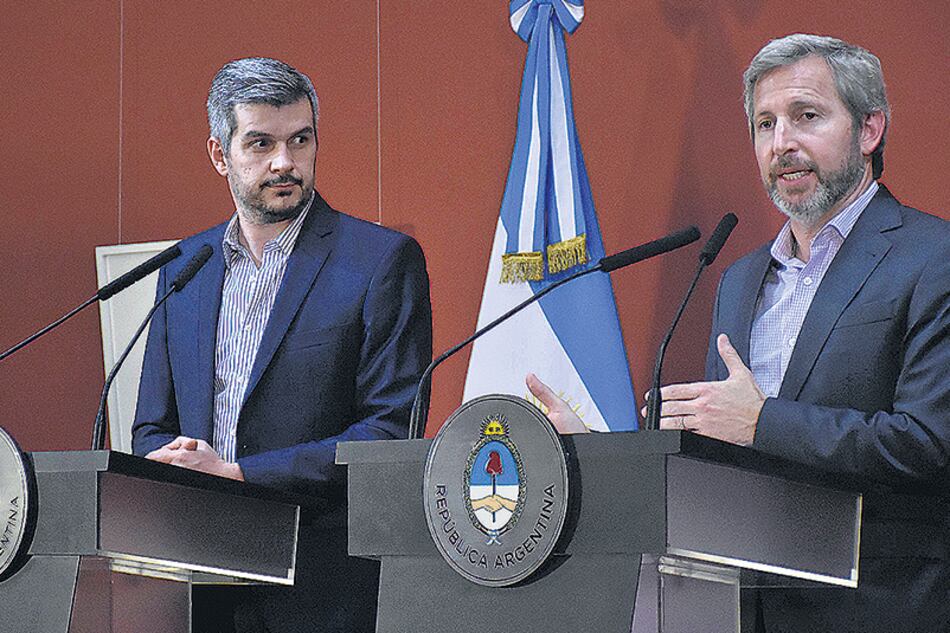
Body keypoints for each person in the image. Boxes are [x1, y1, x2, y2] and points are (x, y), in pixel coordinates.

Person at [530, 34, 949, 632]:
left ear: (869, 130)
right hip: (740, 610)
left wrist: (760, 422)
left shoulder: (932, 258)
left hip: (882, 607)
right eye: (765, 124)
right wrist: (601, 455)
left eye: (807, 116)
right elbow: (720, 461)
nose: (782, 144)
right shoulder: (739, 279)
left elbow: (928, 444)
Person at [132, 57, 432, 633]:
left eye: (300, 139)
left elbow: (390, 431)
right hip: (196, 581)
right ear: (219, 154)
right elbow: (151, 427)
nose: (285, 162)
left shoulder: (380, 262)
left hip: (321, 584)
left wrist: (240, 475)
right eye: (260, 143)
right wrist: (175, 464)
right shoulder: (184, 267)